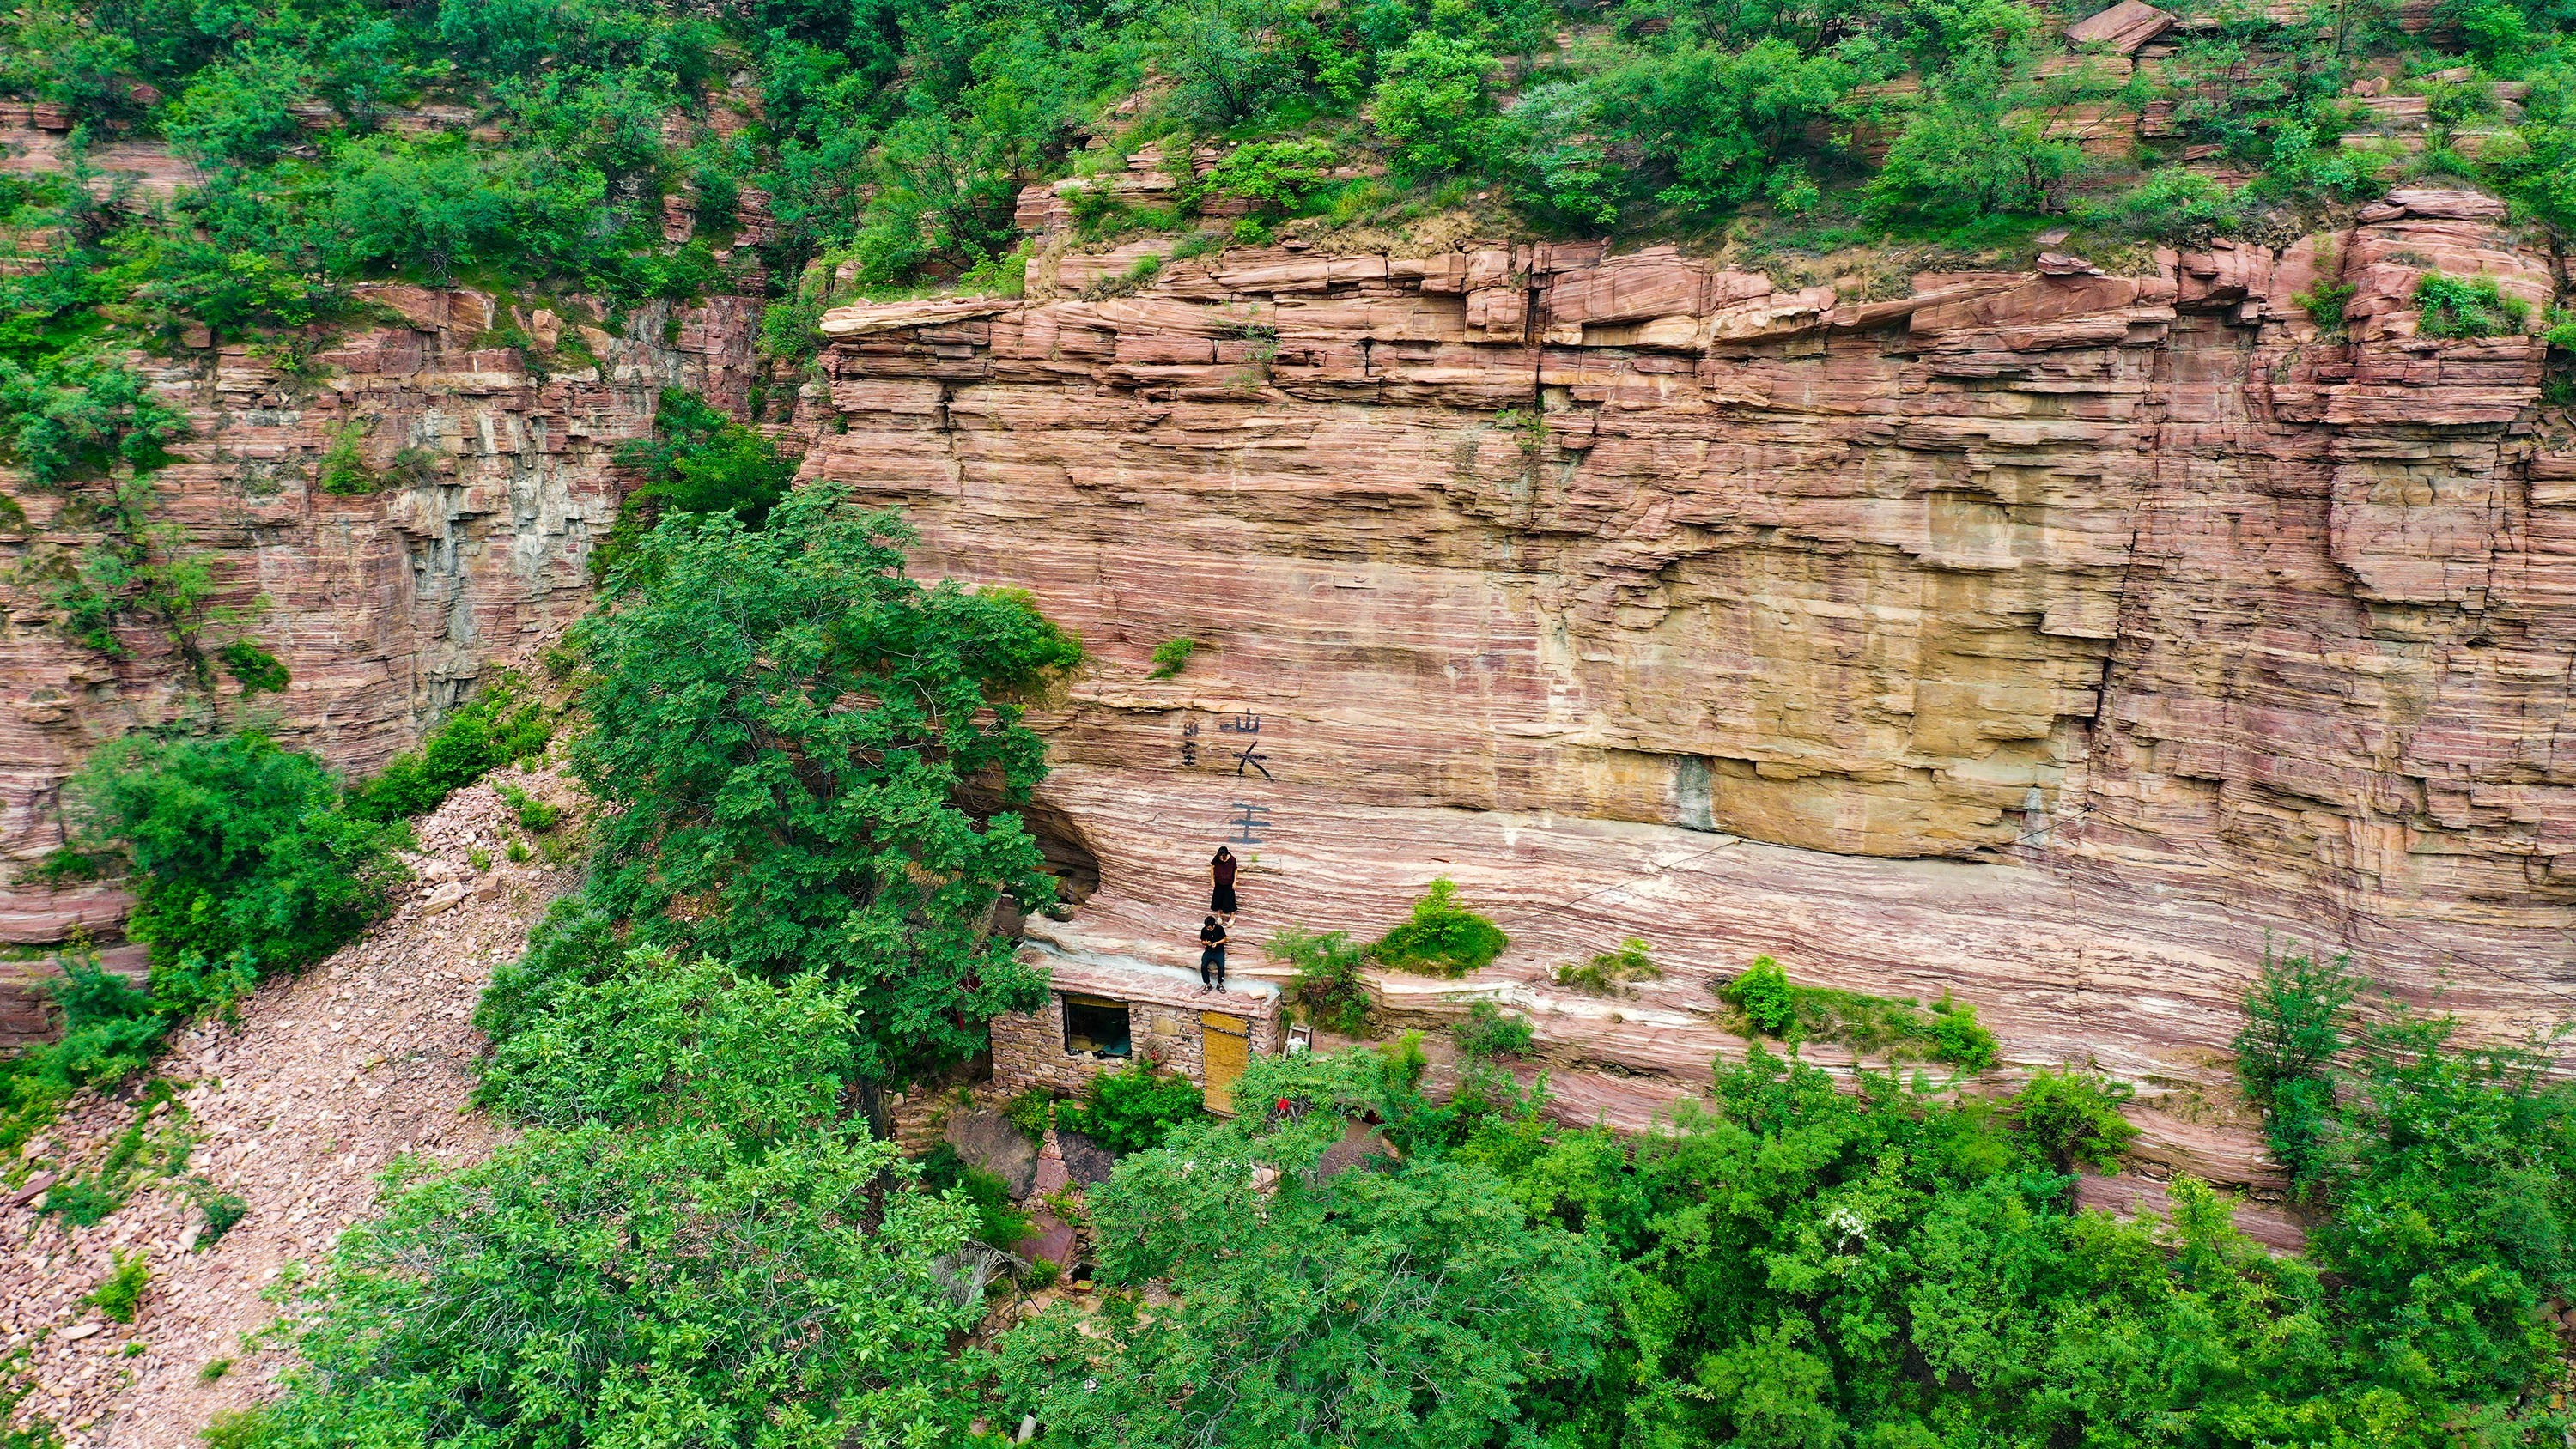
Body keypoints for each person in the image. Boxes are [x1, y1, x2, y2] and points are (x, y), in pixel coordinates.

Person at [1198, 914, 1229, 991]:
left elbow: (1225, 939)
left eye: (1209, 927)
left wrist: (1217, 943)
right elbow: (1202, 941)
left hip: (1219, 951)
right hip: (1209, 951)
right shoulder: (1204, 930)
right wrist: (1206, 943)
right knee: (1203, 965)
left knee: (1221, 966)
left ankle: (1220, 984)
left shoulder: (1219, 928)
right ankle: (1208, 984)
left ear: (1213, 925)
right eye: (1207, 927)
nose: (1208, 928)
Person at [1210, 846, 1239, 925]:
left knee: (1230, 900)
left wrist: (1235, 882)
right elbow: (1212, 867)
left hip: (1229, 883)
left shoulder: (1232, 859)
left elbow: (1235, 870)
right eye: (1220, 858)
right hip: (1219, 883)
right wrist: (1212, 880)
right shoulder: (1216, 858)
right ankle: (1219, 916)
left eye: (1223, 857)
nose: (1222, 859)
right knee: (1218, 899)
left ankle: (1232, 916)